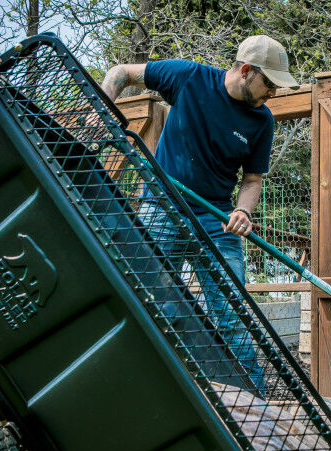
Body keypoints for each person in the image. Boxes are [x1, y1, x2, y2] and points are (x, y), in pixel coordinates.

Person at [100, 36, 299, 390]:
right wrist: (101, 109)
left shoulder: (262, 121)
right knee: (150, 302)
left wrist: (243, 210)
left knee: (233, 314)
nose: (273, 93)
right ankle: (142, 390)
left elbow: (252, 180)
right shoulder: (189, 77)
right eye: (269, 83)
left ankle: (254, 405)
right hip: (161, 206)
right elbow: (121, 73)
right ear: (246, 70)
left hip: (216, 219)